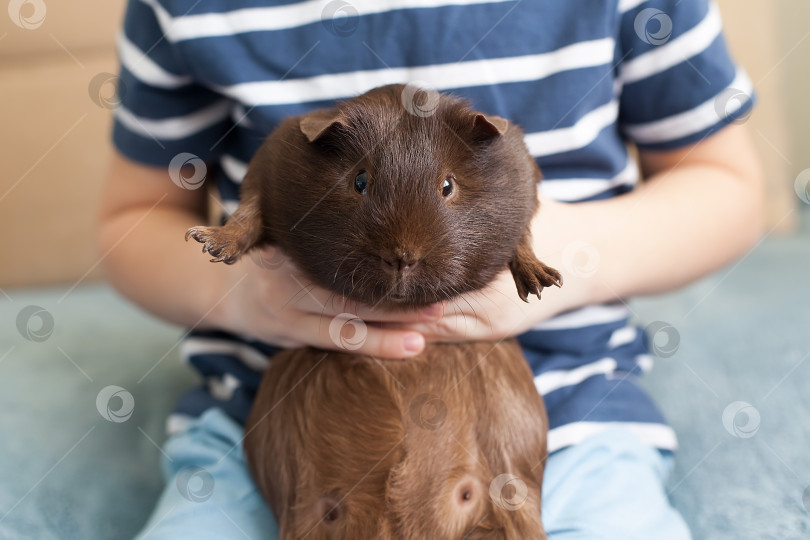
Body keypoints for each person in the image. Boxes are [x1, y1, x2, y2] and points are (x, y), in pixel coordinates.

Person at [98, 0, 764, 537]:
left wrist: (576, 254)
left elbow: (728, 188)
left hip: (568, 422)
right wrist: (239, 292)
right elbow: (129, 221)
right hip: (271, 430)